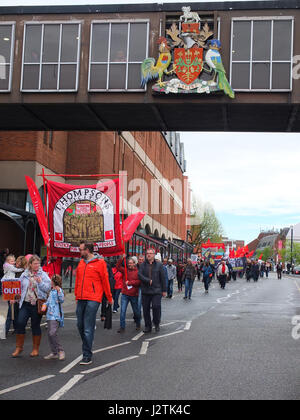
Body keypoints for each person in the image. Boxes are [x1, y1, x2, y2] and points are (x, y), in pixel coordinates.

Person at [75, 242, 113, 365]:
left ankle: (87, 355)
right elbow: (78, 280)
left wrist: (109, 297)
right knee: (79, 325)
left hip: (93, 297)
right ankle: (88, 342)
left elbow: (105, 281)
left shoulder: (101, 263)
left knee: (87, 326)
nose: (80, 252)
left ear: (88, 250)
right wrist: (76, 294)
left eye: (81, 250)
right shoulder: (81, 263)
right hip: (81, 298)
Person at [12, 255, 51, 358]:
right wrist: (15, 297)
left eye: (38, 263)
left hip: (36, 304)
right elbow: (18, 288)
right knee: (20, 323)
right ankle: (19, 347)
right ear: (30, 264)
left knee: (35, 325)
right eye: (35, 263)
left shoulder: (43, 275)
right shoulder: (24, 274)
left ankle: (35, 349)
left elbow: (48, 288)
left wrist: (40, 282)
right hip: (25, 303)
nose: (37, 265)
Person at [138, 248, 167, 333]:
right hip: (145, 290)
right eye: (147, 253)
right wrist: (148, 280)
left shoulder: (159, 265)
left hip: (156, 290)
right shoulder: (142, 265)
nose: (149, 255)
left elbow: (163, 278)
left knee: (156, 306)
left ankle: (156, 323)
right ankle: (148, 326)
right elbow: (139, 275)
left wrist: (164, 290)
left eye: (150, 253)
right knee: (146, 309)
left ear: (154, 255)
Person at [116, 255, 141, 333]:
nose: (129, 264)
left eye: (131, 263)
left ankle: (138, 323)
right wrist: (121, 258)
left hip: (134, 294)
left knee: (136, 311)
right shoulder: (125, 271)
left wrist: (130, 283)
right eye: (128, 263)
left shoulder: (138, 272)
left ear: (135, 263)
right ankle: (122, 327)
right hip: (125, 294)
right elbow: (118, 267)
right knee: (122, 311)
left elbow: (139, 282)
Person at [44, 274, 65, 361]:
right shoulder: (51, 291)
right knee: (50, 334)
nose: (50, 282)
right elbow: (48, 302)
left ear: (54, 282)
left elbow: (62, 300)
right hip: (49, 315)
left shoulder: (59, 291)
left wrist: (59, 291)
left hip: (56, 315)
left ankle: (60, 351)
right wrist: (44, 305)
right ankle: (54, 352)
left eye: (51, 281)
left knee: (52, 333)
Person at [4, 255, 26, 337]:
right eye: (15, 262)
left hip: (18, 295)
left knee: (17, 312)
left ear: (22, 264)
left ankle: (18, 329)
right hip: (11, 293)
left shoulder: (22, 273)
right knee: (13, 312)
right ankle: (14, 329)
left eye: (18, 262)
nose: (16, 263)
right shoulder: (13, 270)